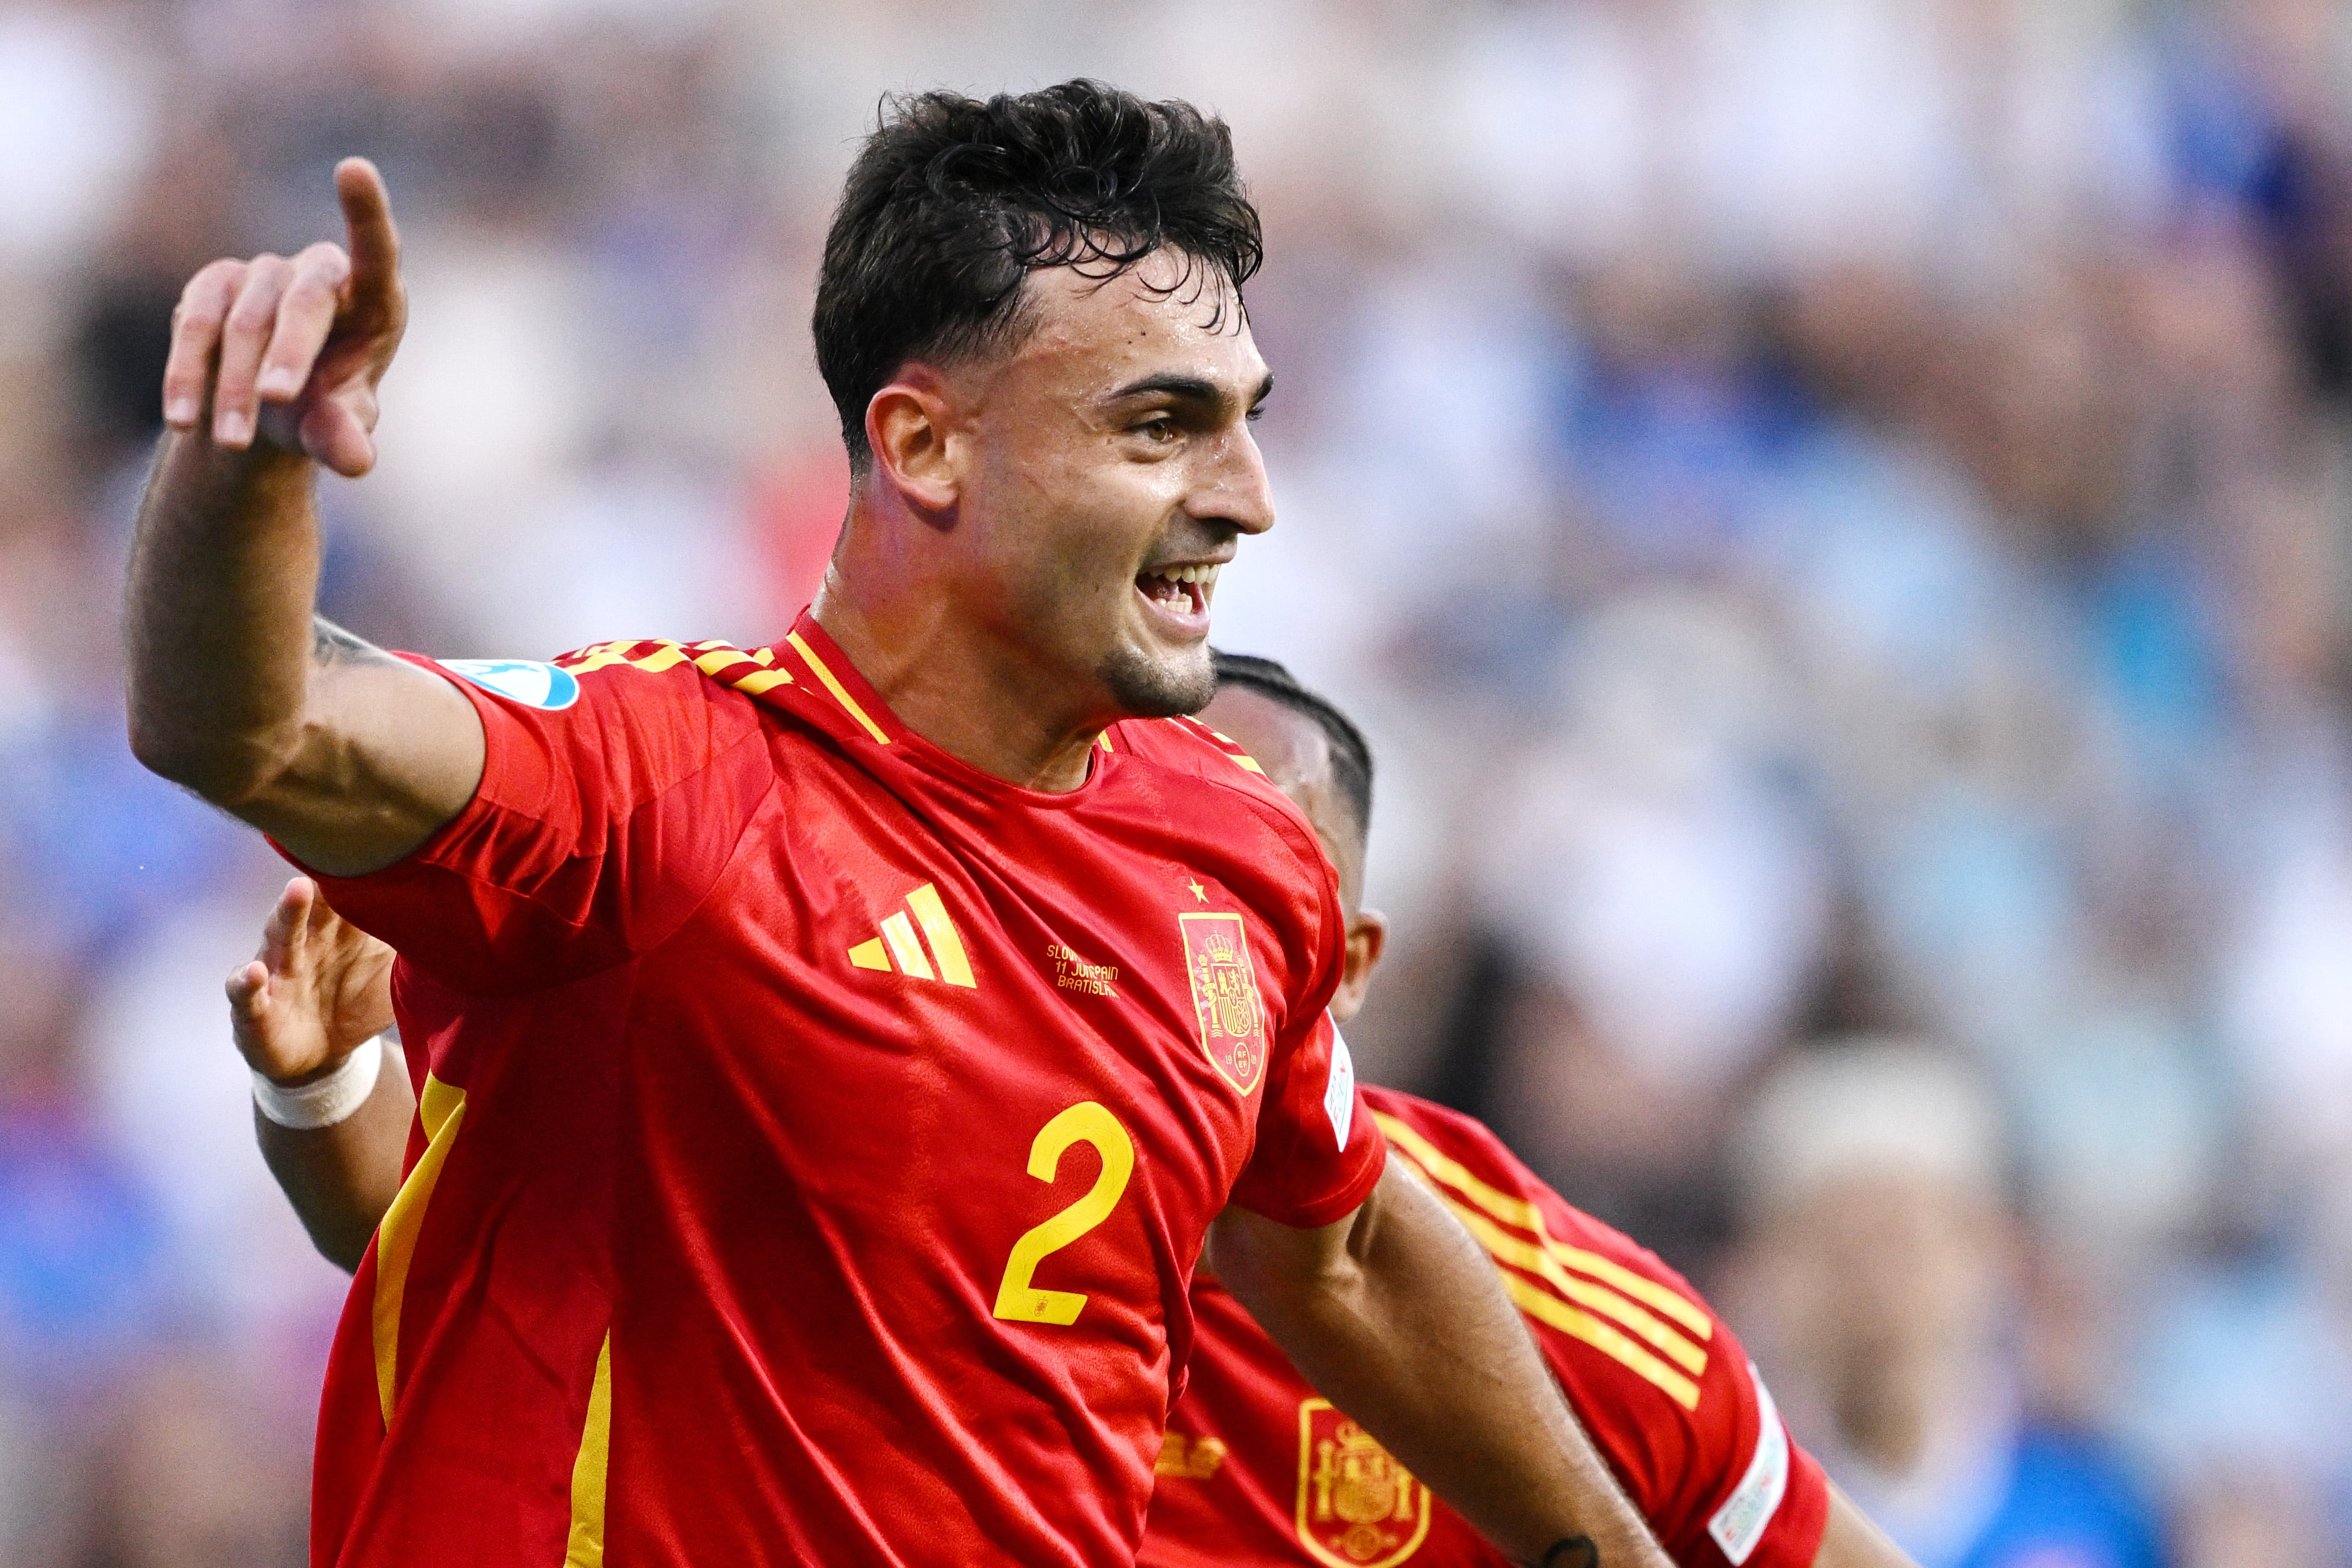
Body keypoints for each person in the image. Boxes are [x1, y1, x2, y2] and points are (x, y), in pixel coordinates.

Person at [130, 81, 1662, 1568]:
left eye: (1242, 422)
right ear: (924, 446)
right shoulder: (670, 784)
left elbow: (1342, 1251)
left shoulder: (1239, 851)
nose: (1246, 495)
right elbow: (251, 723)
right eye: (1159, 425)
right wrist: (244, 466)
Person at [228, 653, 1918, 1568]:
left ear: (1343, 953)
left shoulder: (1518, 1305)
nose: (1173, 923)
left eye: (1250, 889)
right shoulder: (893, 1121)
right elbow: (504, 1292)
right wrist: (320, 1095)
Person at [1724, 1045, 2163, 1568]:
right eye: (1837, 1246)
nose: (1873, 1283)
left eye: (1904, 1240)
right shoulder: (1723, 1517)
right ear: (1765, 1266)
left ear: (1991, 1247)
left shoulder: (2097, 1508)